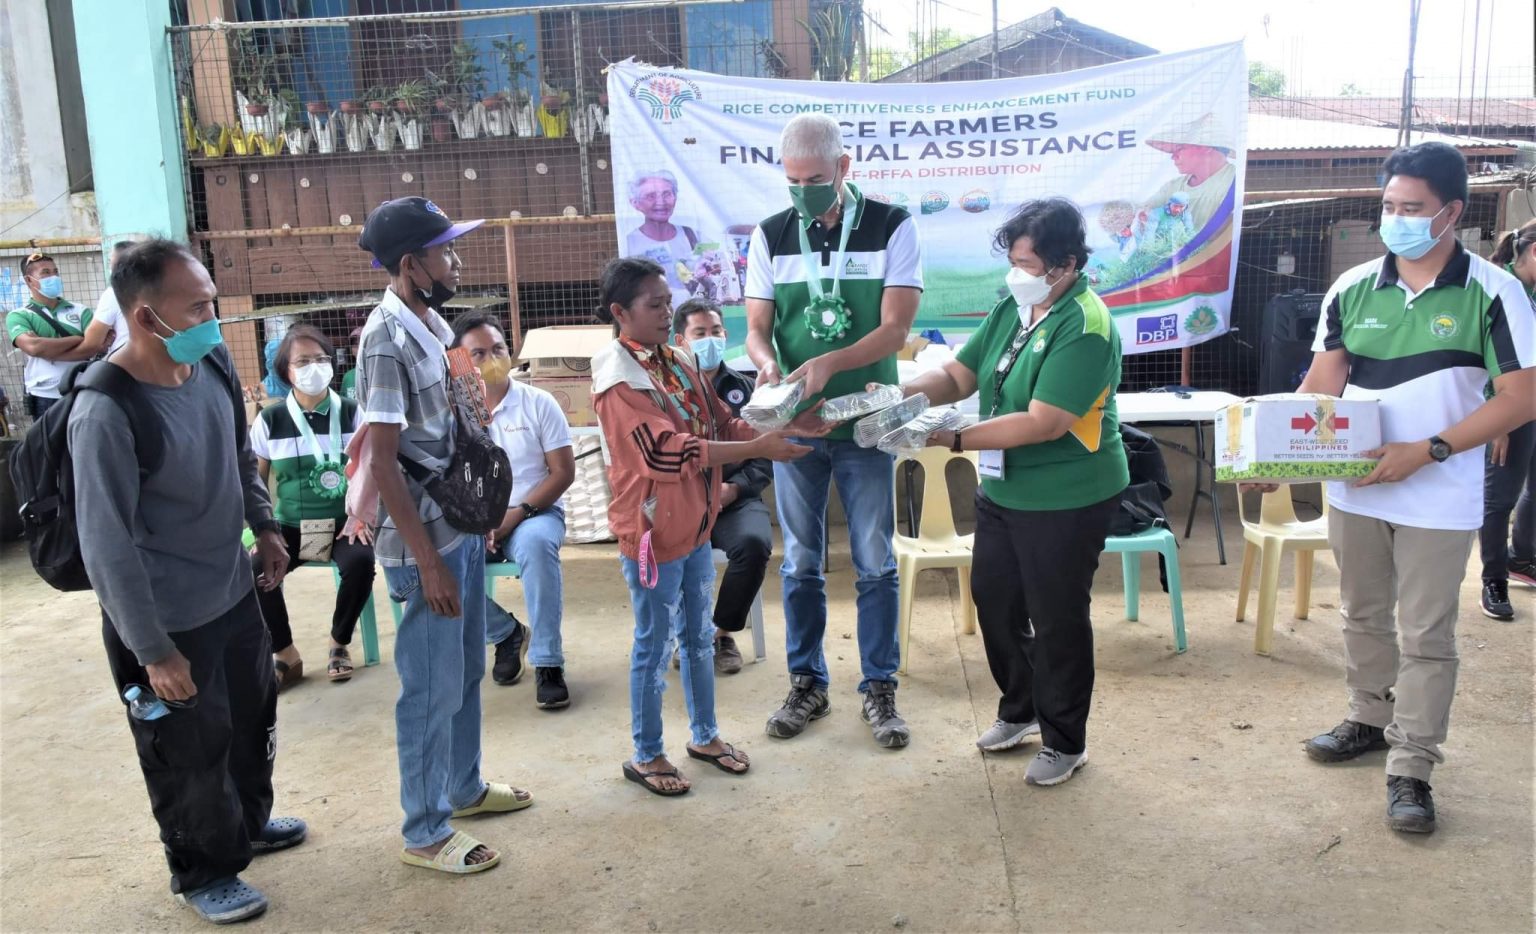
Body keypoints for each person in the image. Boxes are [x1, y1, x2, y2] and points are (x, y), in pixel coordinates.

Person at [1278, 143, 1534, 834]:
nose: (1397, 220)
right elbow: (1319, 390)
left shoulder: (1494, 292)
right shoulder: (1352, 288)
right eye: (1389, 206)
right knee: (1361, 613)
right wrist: (1272, 450)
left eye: (1412, 209)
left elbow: (1521, 396)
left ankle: (1413, 765)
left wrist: (1429, 451)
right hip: (1356, 490)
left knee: (1427, 632)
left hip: (1439, 493)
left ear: (1451, 212)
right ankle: (1368, 715)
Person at [70, 239, 305, 923]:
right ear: (146, 319)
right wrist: (152, 650)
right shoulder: (106, 412)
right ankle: (202, 872)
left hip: (232, 592)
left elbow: (237, 451)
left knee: (248, 722)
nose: (214, 317)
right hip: (165, 618)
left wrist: (263, 528)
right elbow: (105, 543)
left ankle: (247, 826)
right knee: (186, 750)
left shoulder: (207, 361)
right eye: (198, 306)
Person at [902, 198, 1128, 785]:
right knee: (995, 601)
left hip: (1067, 495)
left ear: (1066, 265)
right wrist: (909, 400)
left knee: (1057, 618)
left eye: (1027, 263)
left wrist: (952, 438)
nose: (1015, 272)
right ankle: (1021, 708)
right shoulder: (1014, 304)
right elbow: (960, 374)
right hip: (1005, 489)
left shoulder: (1087, 326)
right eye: (1013, 259)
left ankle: (1064, 739)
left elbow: (1044, 420)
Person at [592, 256, 822, 796]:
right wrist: (757, 447)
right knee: (652, 646)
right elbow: (666, 454)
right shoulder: (617, 378)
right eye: (655, 305)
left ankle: (704, 735)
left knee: (698, 637)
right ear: (620, 312)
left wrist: (787, 423)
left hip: (694, 524)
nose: (666, 311)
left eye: (668, 301)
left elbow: (721, 419)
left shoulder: (674, 359)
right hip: (650, 532)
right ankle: (647, 754)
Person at [356, 196, 530, 874]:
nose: (455, 260)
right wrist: (426, 562)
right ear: (411, 263)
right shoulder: (384, 341)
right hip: (421, 543)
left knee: (464, 671)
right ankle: (425, 831)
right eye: (445, 250)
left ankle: (462, 789)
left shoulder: (431, 324)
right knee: (428, 687)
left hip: (455, 527)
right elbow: (382, 459)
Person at [744, 113, 923, 748]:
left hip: (866, 423)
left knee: (874, 561)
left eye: (814, 178)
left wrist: (828, 365)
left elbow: (895, 329)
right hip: (795, 427)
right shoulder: (769, 235)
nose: (802, 191)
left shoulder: (891, 224)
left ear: (844, 168)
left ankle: (879, 688)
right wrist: (770, 370)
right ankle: (807, 684)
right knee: (800, 561)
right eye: (791, 180)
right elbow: (758, 330)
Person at [450, 312, 576, 708]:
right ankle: (505, 633)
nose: (491, 358)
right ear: (458, 361)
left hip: (533, 513)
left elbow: (563, 472)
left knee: (538, 548)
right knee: (438, 562)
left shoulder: (539, 403)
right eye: (478, 353)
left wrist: (516, 513)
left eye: (498, 348)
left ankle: (548, 662)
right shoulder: (450, 414)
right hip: (474, 521)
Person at [247, 324, 374, 688]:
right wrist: (262, 530)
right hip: (288, 528)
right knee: (255, 570)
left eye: (321, 359)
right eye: (303, 361)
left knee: (362, 563)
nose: (314, 367)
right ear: (286, 370)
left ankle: (339, 643)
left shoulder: (353, 413)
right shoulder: (270, 420)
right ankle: (285, 652)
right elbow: (254, 481)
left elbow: (370, 471)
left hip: (345, 523)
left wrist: (363, 516)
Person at [672, 297, 773, 675]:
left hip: (735, 497)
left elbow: (763, 457)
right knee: (670, 549)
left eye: (716, 332)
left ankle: (720, 633)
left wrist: (735, 489)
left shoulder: (747, 389)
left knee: (754, 543)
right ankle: (687, 634)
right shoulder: (667, 393)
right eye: (700, 333)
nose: (710, 339)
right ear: (681, 340)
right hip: (683, 498)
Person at [1477, 220, 1536, 618]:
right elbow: (1482, 360)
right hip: (1508, 409)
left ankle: (1521, 558)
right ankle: (1493, 579)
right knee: (1499, 498)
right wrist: (1497, 420)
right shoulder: (1498, 290)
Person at [6, 251, 95, 418]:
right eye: (45, 273)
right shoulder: (19, 315)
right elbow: (33, 347)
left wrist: (48, 350)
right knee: (49, 444)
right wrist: (78, 339)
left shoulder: (80, 311)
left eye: (55, 272)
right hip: (44, 396)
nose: (53, 277)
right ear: (29, 280)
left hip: (82, 390)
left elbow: (92, 347)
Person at [1141, 113, 1237, 235]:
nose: (1173, 156)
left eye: (1179, 149)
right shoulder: (1172, 187)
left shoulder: (1236, 181)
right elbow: (1143, 211)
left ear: (1205, 146)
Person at [79, 239, 140, 358]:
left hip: (126, 362)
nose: (109, 265)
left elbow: (92, 342)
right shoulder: (154, 289)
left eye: (110, 260)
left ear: (120, 263)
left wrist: (58, 353)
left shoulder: (114, 293)